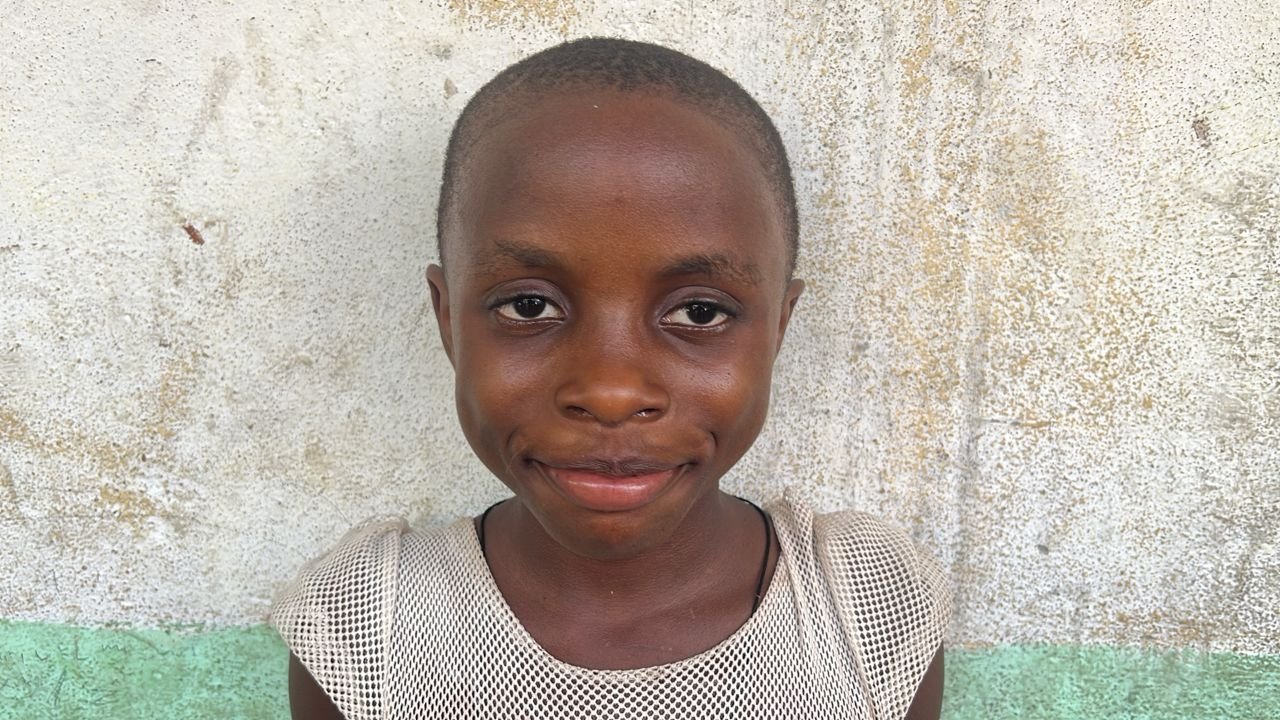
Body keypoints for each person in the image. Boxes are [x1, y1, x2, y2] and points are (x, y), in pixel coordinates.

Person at [272, 37, 951, 719]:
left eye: (700, 311)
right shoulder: (367, 629)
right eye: (529, 306)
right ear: (448, 320)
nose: (611, 391)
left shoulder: (865, 607)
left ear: (777, 327)